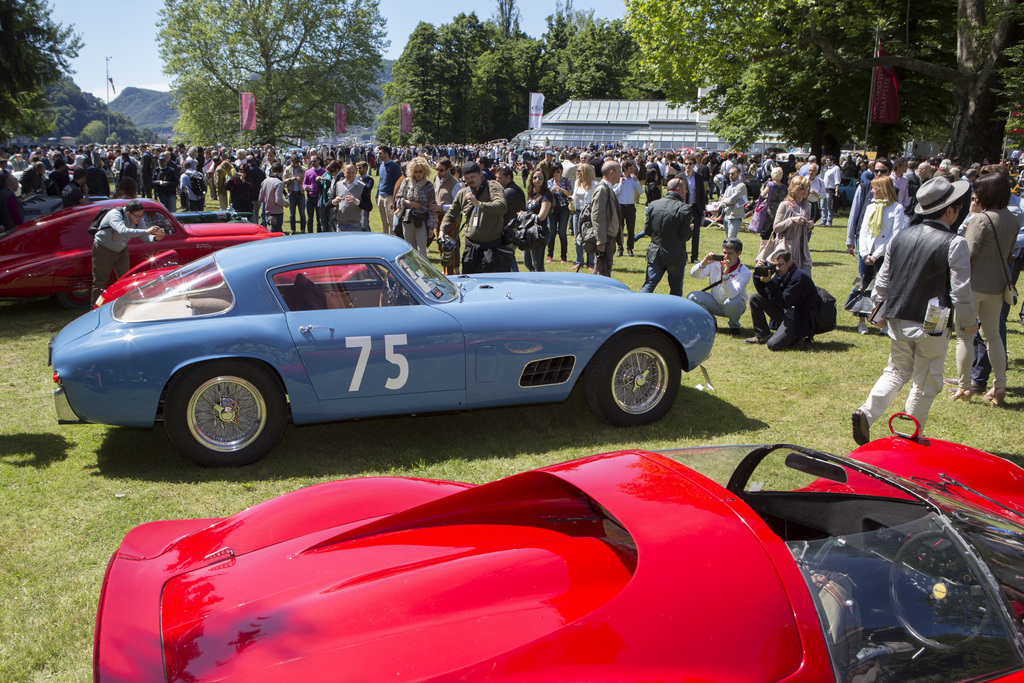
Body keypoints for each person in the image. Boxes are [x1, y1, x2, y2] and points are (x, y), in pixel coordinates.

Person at [851, 177, 978, 444]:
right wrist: (968, 324)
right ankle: (909, 435)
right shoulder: (955, 243)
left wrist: (879, 308)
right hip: (935, 317)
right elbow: (960, 292)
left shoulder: (900, 237)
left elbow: (882, 280)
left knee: (896, 370)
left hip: (898, 312)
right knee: (926, 378)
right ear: (949, 211)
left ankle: (866, 412)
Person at [950, 166, 1018, 405]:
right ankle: (999, 387)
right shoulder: (1013, 219)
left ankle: (964, 386)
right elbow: (1009, 256)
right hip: (997, 287)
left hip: (972, 286)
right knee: (993, 337)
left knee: (964, 338)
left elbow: (966, 256)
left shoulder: (980, 220)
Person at [854, 177, 906, 334]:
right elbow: (863, 231)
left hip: (884, 254)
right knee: (864, 285)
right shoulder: (871, 207)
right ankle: (862, 320)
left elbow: (894, 235)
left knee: (884, 287)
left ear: (883, 189)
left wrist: (876, 255)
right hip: (867, 253)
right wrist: (864, 253)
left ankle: (882, 320)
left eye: (875, 188)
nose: (872, 191)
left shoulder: (896, 208)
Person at [90, 199, 166, 305]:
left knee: (126, 279)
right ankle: (94, 308)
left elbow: (146, 238)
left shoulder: (138, 219)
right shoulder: (115, 214)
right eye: (138, 216)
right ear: (128, 213)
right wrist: (146, 231)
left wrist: (155, 238)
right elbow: (123, 231)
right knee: (100, 281)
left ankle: (124, 304)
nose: (140, 219)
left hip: (121, 250)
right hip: (104, 249)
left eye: (142, 216)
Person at [439, 162, 508, 274]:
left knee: (489, 285)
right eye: (466, 178)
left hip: (491, 247)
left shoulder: (493, 186)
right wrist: (442, 230)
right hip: (470, 248)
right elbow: (451, 214)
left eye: (472, 177)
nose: (470, 180)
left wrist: (479, 204)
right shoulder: (463, 193)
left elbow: (502, 206)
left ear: (480, 174)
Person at [746, 250, 822, 350]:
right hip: (787, 312)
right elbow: (765, 294)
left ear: (789, 263)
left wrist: (769, 283)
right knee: (755, 298)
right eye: (774, 265)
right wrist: (758, 274)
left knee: (773, 345)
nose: (777, 268)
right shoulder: (781, 274)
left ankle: (797, 337)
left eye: (780, 264)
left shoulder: (799, 277)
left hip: (800, 318)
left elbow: (784, 302)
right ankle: (762, 335)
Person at [639, 178, 692, 296]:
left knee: (649, 284)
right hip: (675, 255)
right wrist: (690, 229)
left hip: (655, 253)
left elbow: (647, 231)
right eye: (685, 189)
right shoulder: (684, 208)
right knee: (676, 289)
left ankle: (638, 307)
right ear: (679, 189)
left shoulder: (653, 205)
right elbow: (685, 236)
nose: (686, 192)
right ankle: (674, 313)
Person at [687, 238, 751, 334]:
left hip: (735, 306)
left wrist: (725, 275)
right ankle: (711, 321)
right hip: (715, 301)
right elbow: (694, 275)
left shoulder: (745, 271)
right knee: (692, 296)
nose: (726, 256)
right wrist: (703, 264)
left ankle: (734, 326)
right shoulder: (715, 263)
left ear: (739, 253)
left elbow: (732, 294)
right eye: (724, 253)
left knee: (732, 302)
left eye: (730, 253)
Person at [758, 174, 814, 272]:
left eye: (807, 189)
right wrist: (791, 220)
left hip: (802, 249)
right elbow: (776, 228)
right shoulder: (785, 205)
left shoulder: (807, 206)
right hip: (786, 247)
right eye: (803, 188)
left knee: (806, 278)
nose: (806, 191)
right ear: (795, 189)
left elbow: (806, 228)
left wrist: (810, 226)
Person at [394, 156, 436, 255]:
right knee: (409, 251)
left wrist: (431, 227)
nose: (418, 174)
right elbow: (398, 199)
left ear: (425, 171)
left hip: (421, 220)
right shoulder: (406, 182)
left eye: (420, 171)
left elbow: (432, 207)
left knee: (421, 251)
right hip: (407, 219)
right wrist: (409, 203)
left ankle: (422, 270)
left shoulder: (429, 186)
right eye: (415, 171)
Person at [592, 160, 622, 277]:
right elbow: (597, 216)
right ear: (612, 173)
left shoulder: (608, 189)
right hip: (605, 238)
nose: (621, 174)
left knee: (605, 270)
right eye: (619, 171)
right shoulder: (602, 190)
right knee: (602, 273)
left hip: (609, 238)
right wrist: (601, 240)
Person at [523, 169, 552, 271]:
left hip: (539, 233)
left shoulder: (546, 195)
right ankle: (533, 281)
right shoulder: (531, 193)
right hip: (528, 232)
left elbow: (542, 216)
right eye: (535, 177)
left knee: (537, 265)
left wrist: (526, 216)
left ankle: (540, 283)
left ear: (544, 180)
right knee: (527, 262)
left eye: (540, 178)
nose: (537, 180)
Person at [571, 162, 599, 271]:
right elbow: (574, 197)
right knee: (577, 237)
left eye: (579, 171)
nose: (577, 173)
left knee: (590, 237)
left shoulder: (595, 185)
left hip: (589, 213)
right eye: (577, 171)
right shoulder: (577, 184)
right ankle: (579, 262)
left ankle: (591, 262)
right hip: (577, 213)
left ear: (585, 172)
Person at [613, 160, 642, 257]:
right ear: (625, 169)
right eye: (630, 168)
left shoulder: (633, 179)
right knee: (620, 229)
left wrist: (636, 181)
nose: (632, 170)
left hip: (630, 206)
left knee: (631, 229)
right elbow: (614, 193)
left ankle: (630, 248)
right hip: (620, 206)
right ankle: (620, 248)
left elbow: (640, 191)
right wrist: (621, 184)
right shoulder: (618, 179)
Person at [547, 165, 572, 263]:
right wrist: (551, 192)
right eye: (554, 172)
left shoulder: (566, 181)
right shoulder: (549, 182)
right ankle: (550, 255)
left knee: (562, 233)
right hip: (552, 209)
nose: (556, 174)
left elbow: (571, 194)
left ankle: (563, 256)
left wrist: (562, 190)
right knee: (551, 232)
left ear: (561, 171)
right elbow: (546, 195)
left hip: (564, 209)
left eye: (558, 171)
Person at [376, 146, 402, 235]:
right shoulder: (381, 165)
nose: (378, 155)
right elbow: (380, 181)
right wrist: (377, 195)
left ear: (386, 154)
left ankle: (392, 240)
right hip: (381, 196)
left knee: (390, 221)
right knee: (384, 221)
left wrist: (395, 199)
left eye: (380, 153)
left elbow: (398, 184)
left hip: (390, 197)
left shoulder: (394, 167)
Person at [719, 165, 747, 239]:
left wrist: (724, 202)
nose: (730, 176)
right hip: (726, 215)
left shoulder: (741, 186)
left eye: (733, 174)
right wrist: (723, 202)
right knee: (728, 239)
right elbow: (723, 198)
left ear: (738, 174)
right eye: (730, 174)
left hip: (735, 216)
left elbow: (733, 199)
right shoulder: (729, 187)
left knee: (731, 238)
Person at [259, 163, 285, 233]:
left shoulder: (264, 181)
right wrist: (286, 203)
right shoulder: (279, 183)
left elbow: (261, 198)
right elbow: (278, 200)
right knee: (273, 235)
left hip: (267, 212)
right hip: (277, 213)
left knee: (278, 233)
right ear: (282, 171)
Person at [302, 157, 326, 232]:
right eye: (311, 161)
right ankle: (310, 233)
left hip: (319, 197)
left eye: (314, 161)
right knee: (310, 218)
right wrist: (305, 187)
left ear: (319, 161)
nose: (313, 163)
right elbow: (304, 183)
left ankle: (318, 234)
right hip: (309, 197)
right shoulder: (308, 172)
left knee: (319, 218)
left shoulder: (323, 172)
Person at [283, 155, 306, 234]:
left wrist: (300, 180)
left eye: (296, 163)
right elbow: (283, 180)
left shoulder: (303, 169)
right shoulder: (287, 169)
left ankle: (303, 229)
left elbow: (306, 182)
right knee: (292, 213)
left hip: (300, 193)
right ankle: (293, 229)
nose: (295, 164)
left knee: (302, 213)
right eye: (293, 163)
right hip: (291, 193)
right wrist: (290, 179)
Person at [357, 160, 375, 232]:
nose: (358, 170)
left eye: (360, 168)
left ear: (365, 168)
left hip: (364, 204)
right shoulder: (356, 179)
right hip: (357, 203)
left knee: (365, 224)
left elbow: (368, 189)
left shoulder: (370, 180)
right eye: (357, 168)